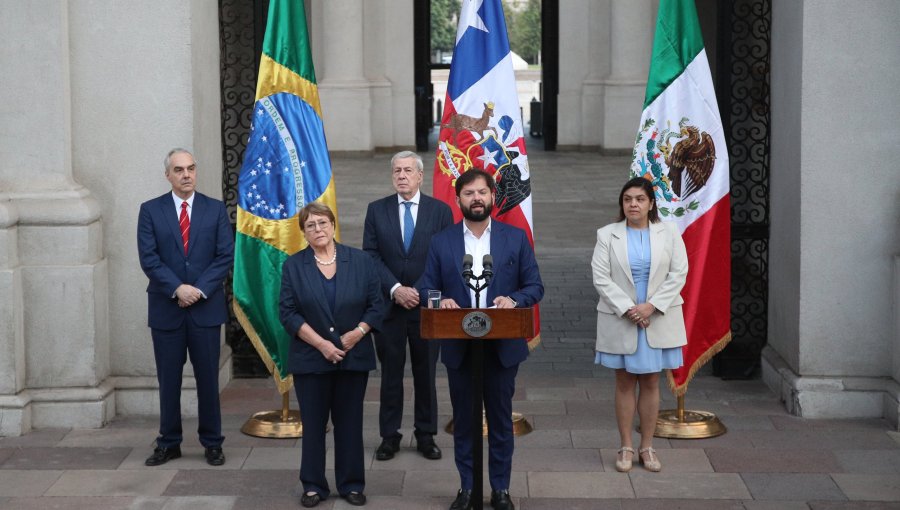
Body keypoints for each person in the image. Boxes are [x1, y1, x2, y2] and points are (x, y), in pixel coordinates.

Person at [419, 169, 544, 510]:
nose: (476, 198)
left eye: (482, 192)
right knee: (465, 422)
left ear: (492, 197)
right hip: (460, 348)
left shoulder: (514, 238)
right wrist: (439, 299)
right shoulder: (442, 241)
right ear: (458, 199)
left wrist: (514, 300)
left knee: (501, 421)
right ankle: (467, 488)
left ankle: (500, 489)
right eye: (469, 193)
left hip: (501, 348)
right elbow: (425, 286)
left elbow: (535, 286)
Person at [279, 202, 383, 508]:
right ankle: (313, 485)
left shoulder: (361, 260)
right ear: (303, 232)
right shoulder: (294, 265)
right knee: (313, 425)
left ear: (333, 225)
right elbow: (288, 313)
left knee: (350, 423)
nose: (317, 229)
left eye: (322, 223)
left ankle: (351, 484)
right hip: (311, 359)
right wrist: (322, 344)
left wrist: (359, 333)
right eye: (310, 225)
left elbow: (377, 305)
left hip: (354, 356)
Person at [137, 148, 233, 467]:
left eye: (191, 168)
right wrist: (177, 288)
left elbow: (225, 256)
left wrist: (199, 290)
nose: (187, 174)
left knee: (208, 379)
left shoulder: (215, 209)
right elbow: (149, 258)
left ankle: (212, 442)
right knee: (169, 381)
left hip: (205, 310)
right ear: (168, 175)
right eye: (179, 170)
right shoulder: (150, 211)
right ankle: (169, 442)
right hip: (167, 310)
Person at [591, 177, 688, 473]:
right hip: (622, 317)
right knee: (624, 382)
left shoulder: (669, 232)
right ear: (622, 204)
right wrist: (629, 309)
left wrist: (652, 306)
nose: (633, 204)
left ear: (651, 204)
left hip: (658, 317)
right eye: (628, 199)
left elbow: (679, 272)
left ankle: (647, 447)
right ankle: (625, 447)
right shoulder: (607, 234)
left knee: (650, 381)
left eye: (639, 199)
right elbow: (601, 277)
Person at [362, 151, 453, 462]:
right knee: (390, 374)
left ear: (420, 176)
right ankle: (390, 436)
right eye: (397, 171)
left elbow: (445, 256)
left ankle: (426, 435)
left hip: (426, 307)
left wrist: (420, 291)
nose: (401, 175)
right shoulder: (377, 210)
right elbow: (370, 256)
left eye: (407, 171)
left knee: (426, 373)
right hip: (389, 308)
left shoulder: (440, 211)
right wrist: (396, 289)